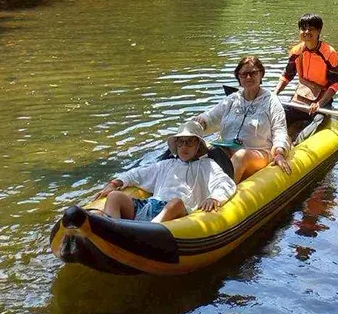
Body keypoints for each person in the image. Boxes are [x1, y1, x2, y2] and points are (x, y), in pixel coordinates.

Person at [97, 121, 236, 223]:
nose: (184, 147)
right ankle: (112, 228)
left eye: (190, 142)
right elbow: (136, 174)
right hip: (151, 206)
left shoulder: (208, 166)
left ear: (198, 145)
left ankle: (146, 233)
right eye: (180, 142)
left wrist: (215, 197)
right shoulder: (166, 164)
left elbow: (225, 183)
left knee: (175, 203)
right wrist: (115, 183)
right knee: (115, 196)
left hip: (178, 213)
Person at [193, 55, 291, 182]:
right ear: (238, 77)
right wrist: (200, 122)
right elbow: (210, 118)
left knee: (241, 156)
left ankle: (221, 194)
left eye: (253, 73)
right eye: (244, 74)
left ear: (261, 74)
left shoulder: (271, 101)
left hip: (258, 153)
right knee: (205, 150)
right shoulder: (232, 100)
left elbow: (280, 130)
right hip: (228, 149)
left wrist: (279, 152)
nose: (248, 77)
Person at [274, 13, 338, 141]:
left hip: (322, 101)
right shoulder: (296, 51)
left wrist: (319, 104)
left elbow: (334, 84)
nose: (307, 32)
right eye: (303, 28)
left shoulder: (329, 53)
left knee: (316, 124)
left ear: (319, 31)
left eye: (311, 29)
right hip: (300, 99)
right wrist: (275, 94)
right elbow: (287, 75)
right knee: (278, 115)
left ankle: (297, 144)